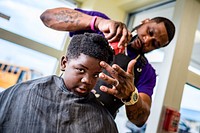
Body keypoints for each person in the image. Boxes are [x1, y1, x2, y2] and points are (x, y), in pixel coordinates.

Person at [40, 7, 175, 127]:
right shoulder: (102, 25)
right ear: (145, 21)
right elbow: (48, 17)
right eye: (150, 32)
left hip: (94, 126)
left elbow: (141, 119)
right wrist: (97, 23)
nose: (146, 40)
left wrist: (130, 95)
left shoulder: (146, 72)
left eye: (155, 44)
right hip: (54, 109)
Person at [0, 33, 119, 133]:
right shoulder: (24, 93)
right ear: (64, 63)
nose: (87, 80)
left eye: (95, 75)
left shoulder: (102, 119)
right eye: (81, 70)